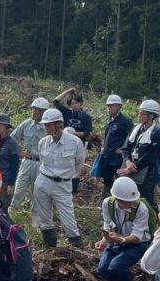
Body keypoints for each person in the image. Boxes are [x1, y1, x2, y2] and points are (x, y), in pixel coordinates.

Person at [95, 177, 153, 281]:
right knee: (102, 270)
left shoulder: (141, 208)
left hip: (136, 244)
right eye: (128, 201)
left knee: (116, 266)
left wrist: (121, 239)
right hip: (116, 241)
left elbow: (138, 235)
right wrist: (104, 240)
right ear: (118, 200)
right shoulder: (107, 204)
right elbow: (108, 224)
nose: (132, 203)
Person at [34, 108, 86, 248]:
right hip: (43, 181)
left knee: (68, 219)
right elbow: (42, 161)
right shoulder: (43, 142)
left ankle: (76, 248)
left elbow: (79, 164)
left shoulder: (75, 142)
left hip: (63, 184)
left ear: (58, 124)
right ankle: (50, 248)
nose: (46, 127)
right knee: (44, 219)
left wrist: (72, 179)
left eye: (49, 124)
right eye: (45, 125)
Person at [11, 98, 49, 232]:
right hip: (27, 162)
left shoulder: (47, 128)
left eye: (38, 110)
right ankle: (11, 218)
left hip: (41, 164)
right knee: (18, 191)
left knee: (37, 193)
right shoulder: (26, 124)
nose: (35, 112)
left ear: (44, 112)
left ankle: (34, 225)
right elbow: (12, 138)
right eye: (33, 109)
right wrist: (20, 151)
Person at [118, 100, 160, 210]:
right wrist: (128, 162)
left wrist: (134, 168)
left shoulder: (157, 133)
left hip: (148, 172)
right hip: (131, 167)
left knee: (147, 200)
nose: (139, 116)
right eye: (139, 113)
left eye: (142, 114)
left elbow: (151, 155)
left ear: (151, 116)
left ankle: (154, 223)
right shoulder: (135, 130)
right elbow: (125, 148)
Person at [97, 94, 133, 201]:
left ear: (118, 106)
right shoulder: (109, 121)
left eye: (111, 106)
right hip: (106, 157)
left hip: (117, 159)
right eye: (108, 106)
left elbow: (131, 138)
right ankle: (106, 201)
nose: (109, 108)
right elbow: (107, 136)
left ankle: (117, 201)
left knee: (118, 181)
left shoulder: (125, 122)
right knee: (107, 181)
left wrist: (123, 150)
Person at [0, 114, 20, 211]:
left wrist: (11, 184)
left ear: (5, 126)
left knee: (2, 209)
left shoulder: (12, 143)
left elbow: (15, 165)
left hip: (4, 180)